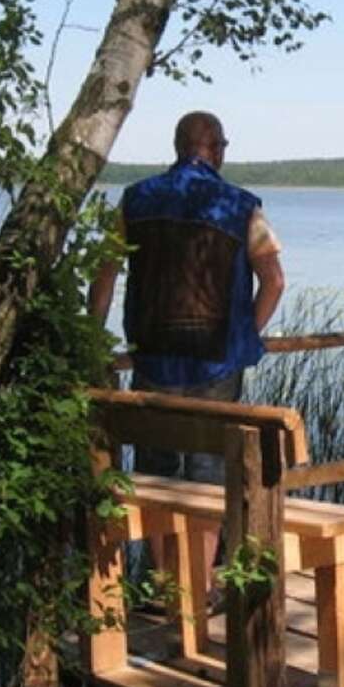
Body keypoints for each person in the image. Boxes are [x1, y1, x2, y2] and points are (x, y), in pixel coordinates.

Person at [88, 110, 285, 602]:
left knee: (155, 474)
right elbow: (274, 281)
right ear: (216, 149)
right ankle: (196, 593)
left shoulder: (136, 200)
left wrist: (91, 338)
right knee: (209, 475)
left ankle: (163, 587)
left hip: (153, 360)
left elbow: (106, 275)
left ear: (178, 147)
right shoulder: (240, 206)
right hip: (218, 365)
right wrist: (247, 336)